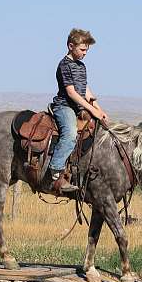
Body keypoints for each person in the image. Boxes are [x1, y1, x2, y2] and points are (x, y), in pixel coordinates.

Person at [45, 28, 109, 194]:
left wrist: (99, 110)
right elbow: (71, 92)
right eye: (82, 50)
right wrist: (91, 110)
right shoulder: (64, 65)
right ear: (70, 46)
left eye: (87, 50)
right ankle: (56, 170)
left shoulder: (81, 66)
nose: (85, 53)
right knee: (70, 134)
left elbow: (85, 90)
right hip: (64, 106)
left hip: (80, 107)